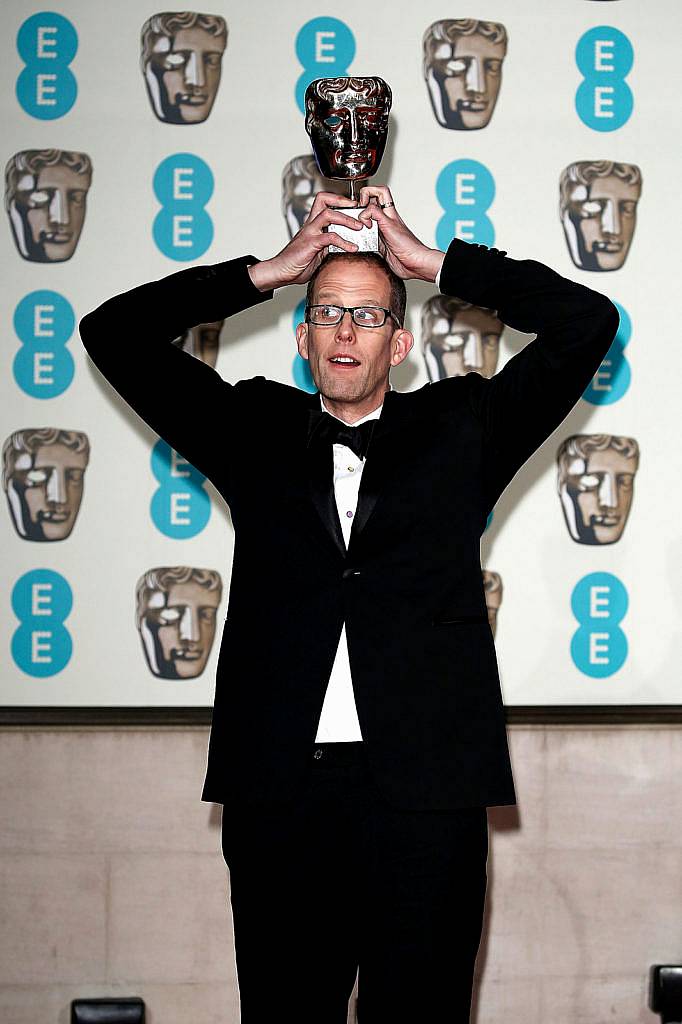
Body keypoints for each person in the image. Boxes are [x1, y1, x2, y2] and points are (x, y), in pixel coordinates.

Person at [79, 185, 620, 1022]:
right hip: (281, 800)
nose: (344, 332)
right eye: (327, 312)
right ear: (301, 335)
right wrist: (266, 271)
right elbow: (111, 332)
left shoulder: (464, 427)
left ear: (401, 342)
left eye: (368, 317)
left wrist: (437, 262)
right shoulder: (250, 427)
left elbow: (585, 321)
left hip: (426, 801)